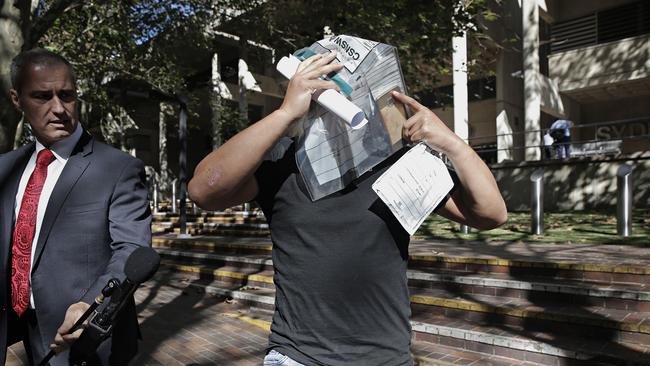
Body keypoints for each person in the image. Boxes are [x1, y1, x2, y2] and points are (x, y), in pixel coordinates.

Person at [188, 52, 507, 366]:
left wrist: (452, 143)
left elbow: (491, 214)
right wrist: (285, 113)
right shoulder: (283, 161)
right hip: (300, 357)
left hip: (387, 358)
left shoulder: (395, 161)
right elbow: (203, 191)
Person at [0, 49, 151, 365]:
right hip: (20, 327)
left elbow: (131, 249)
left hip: (88, 339)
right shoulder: (6, 167)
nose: (58, 109)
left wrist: (90, 305)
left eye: (66, 95)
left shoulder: (119, 168)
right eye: (42, 96)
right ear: (17, 99)